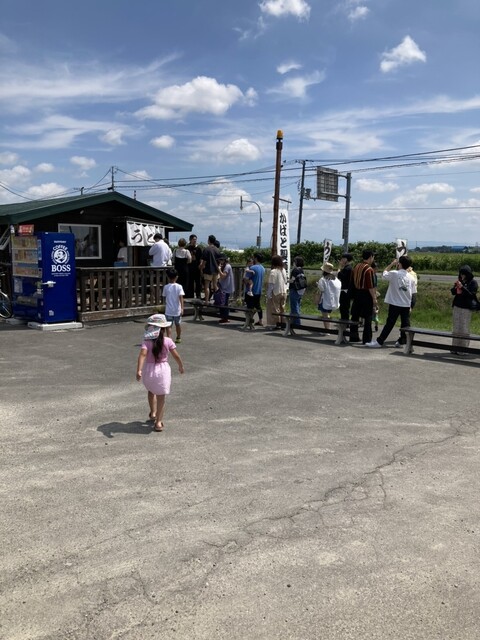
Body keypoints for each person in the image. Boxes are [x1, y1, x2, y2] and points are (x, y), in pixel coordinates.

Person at [136, 313, 184, 432]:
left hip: (149, 370)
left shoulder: (147, 341)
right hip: (163, 371)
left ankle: (153, 413)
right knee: (161, 396)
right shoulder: (168, 341)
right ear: (163, 329)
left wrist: (139, 370)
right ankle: (158, 422)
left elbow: (142, 355)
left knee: (151, 391)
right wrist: (180, 366)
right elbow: (176, 356)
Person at [365, 255, 413, 349]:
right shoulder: (411, 277)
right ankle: (404, 342)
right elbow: (412, 292)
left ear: (399, 264)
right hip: (406, 304)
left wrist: (391, 264)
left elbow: (384, 274)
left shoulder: (394, 273)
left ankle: (380, 341)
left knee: (390, 323)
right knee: (405, 324)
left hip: (395, 303)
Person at [349, 250, 377, 344]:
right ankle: (367, 339)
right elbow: (370, 286)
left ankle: (353, 337)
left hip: (357, 293)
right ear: (370, 257)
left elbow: (352, 281)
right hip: (366, 294)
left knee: (355, 316)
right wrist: (374, 298)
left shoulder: (357, 266)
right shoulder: (369, 269)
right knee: (368, 317)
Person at [450, 265, 478, 356]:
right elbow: (453, 292)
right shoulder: (460, 281)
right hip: (457, 307)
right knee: (456, 328)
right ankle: (454, 347)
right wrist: (456, 288)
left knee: (464, 328)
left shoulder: (473, 283)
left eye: (464, 274)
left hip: (466, 308)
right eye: (461, 274)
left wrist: (462, 287)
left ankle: (463, 349)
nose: (462, 275)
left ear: (468, 274)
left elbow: (471, 295)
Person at [163, 268, 185, 344]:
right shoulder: (179, 286)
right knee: (177, 324)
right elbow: (181, 298)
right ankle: (178, 337)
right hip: (177, 310)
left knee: (168, 325)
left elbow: (164, 297)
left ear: (168, 277)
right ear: (176, 277)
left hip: (168, 310)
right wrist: (182, 308)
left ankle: (169, 339)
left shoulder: (166, 287)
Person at [316, 262, 341, 329]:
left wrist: (318, 285)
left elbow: (321, 289)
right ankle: (328, 329)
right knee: (327, 315)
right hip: (332, 301)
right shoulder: (336, 279)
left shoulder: (323, 279)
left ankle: (327, 330)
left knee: (325, 316)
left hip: (324, 300)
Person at [266, 255, 288, 329]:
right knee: (283, 309)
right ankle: (283, 324)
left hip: (276, 292)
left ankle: (275, 324)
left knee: (275, 309)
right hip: (284, 291)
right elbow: (285, 281)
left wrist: (268, 295)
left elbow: (271, 284)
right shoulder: (283, 270)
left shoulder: (273, 271)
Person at [244, 252, 265, 327]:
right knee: (258, 306)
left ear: (256, 258)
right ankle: (260, 320)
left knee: (249, 307)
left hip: (251, 291)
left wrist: (246, 281)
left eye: (253, 257)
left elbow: (246, 279)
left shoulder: (252, 268)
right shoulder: (263, 268)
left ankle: (249, 322)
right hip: (258, 290)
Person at [199, 234, 221, 302]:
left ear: (209, 240)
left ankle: (206, 301)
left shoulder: (206, 249)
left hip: (208, 270)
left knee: (207, 286)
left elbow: (204, 261)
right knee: (215, 286)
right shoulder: (217, 250)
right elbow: (219, 261)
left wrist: (201, 268)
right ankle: (218, 301)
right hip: (215, 270)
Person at [288, 256, 307, 326]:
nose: (293, 263)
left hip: (294, 290)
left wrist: (286, 280)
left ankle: (296, 323)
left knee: (294, 307)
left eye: (294, 261)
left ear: (296, 262)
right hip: (300, 290)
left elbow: (292, 280)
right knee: (298, 306)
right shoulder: (301, 270)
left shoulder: (295, 270)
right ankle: (295, 321)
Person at [217, 254, 235, 324]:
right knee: (223, 303)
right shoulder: (225, 266)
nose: (220, 261)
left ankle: (225, 318)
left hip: (226, 288)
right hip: (224, 287)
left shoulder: (227, 266)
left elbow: (223, 276)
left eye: (221, 260)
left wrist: (219, 269)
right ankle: (223, 317)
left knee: (224, 303)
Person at [337, 252, 353, 321]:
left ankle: (345, 323)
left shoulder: (347, 268)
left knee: (344, 308)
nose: (342, 260)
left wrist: (339, 269)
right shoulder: (348, 268)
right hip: (345, 291)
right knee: (344, 308)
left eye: (343, 258)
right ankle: (344, 322)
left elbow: (340, 276)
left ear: (347, 259)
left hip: (345, 291)